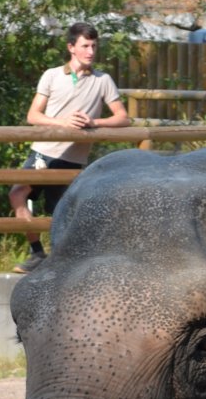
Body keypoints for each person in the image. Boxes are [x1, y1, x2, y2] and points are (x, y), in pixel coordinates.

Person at [10, 21, 130, 274]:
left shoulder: (103, 80)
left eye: (94, 46)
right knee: (17, 194)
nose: (91, 51)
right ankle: (36, 253)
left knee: (62, 213)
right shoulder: (52, 75)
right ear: (71, 47)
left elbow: (123, 118)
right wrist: (62, 123)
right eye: (85, 46)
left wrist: (94, 122)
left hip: (74, 160)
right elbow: (33, 115)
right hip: (43, 153)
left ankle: (63, 263)